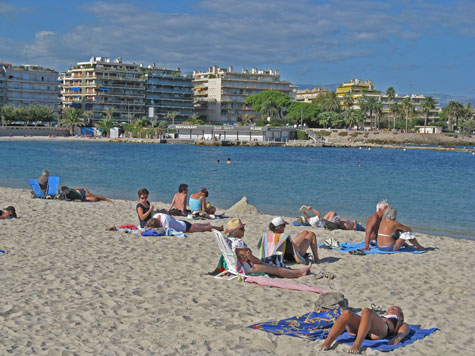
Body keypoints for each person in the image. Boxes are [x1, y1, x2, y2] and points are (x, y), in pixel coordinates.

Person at [224, 218, 312, 278]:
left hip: (237, 266)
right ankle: (300, 272)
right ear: (236, 232)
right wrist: (259, 261)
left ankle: (299, 271)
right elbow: (251, 259)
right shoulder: (239, 243)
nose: (244, 231)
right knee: (277, 269)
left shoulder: (227, 241)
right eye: (242, 229)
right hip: (249, 268)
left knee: (273, 266)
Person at [321, 306, 410, 353]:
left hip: (378, 332)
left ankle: (357, 344)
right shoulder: (382, 316)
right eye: (390, 307)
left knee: (367, 310)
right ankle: (328, 341)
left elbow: (405, 328)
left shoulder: (398, 320)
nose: (391, 308)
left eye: (395, 309)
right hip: (361, 329)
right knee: (347, 313)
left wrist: (399, 337)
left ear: (400, 316)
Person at [149, 213, 223, 233]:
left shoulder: (165, 222)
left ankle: (219, 228)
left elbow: (170, 232)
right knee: (194, 225)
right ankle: (206, 223)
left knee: (204, 229)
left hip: (184, 228)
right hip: (181, 222)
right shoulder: (156, 215)